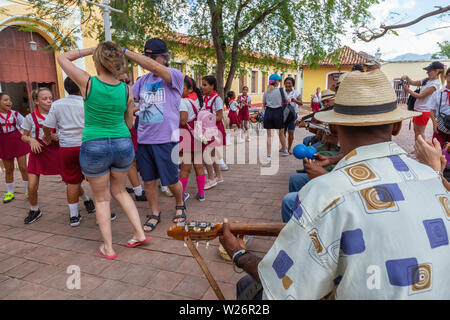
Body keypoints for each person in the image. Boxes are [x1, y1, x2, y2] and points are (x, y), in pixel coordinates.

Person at [221, 69, 450, 299]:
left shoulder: (326, 193)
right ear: (396, 127)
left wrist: (239, 254)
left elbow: (286, 283)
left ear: (334, 126)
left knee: (249, 288)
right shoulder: (434, 178)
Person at [57, 42, 151, 259]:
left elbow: (63, 58)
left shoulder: (87, 82)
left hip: (94, 144)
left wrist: (90, 50)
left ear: (98, 60)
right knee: (119, 191)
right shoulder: (126, 88)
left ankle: (109, 247)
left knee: (101, 199)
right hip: (122, 143)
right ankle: (139, 233)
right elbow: (129, 122)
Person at [123, 38, 187, 230]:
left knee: (172, 180)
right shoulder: (142, 81)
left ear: (163, 57)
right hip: (145, 138)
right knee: (148, 181)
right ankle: (154, 212)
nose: (147, 61)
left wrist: (126, 51)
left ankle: (180, 204)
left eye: (150, 57)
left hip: (166, 138)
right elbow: (130, 101)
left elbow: (157, 69)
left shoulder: (174, 75)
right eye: (146, 57)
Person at [42, 77, 95, 227]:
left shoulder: (57, 104)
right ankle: (103, 212)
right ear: (80, 87)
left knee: (72, 181)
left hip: (67, 147)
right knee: (96, 180)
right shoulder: (88, 102)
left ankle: (73, 216)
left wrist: (48, 136)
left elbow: (47, 125)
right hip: (88, 145)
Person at [21, 88, 61, 224]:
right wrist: (31, 140)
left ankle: (86, 199)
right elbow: (23, 136)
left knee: (70, 181)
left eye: (50, 98)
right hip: (37, 152)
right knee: (31, 186)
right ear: (36, 101)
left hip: (55, 150)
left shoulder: (58, 114)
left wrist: (57, 136)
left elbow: (66, 132)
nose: (49, 101)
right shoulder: (29, 118)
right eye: (45, 99)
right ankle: (35, 210)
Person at [118, 72, 147, 202]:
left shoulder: (127, 94)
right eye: (121, 81)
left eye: (127, 81)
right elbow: (125, 116)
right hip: (122, 131)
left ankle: (125, 188)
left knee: (129, 162)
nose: (125, 84)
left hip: (127, 130)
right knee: (130, 163)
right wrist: (140, 107)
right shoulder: (118, 96)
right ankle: (138, 191)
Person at [402, 61, 445, 141]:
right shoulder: (427, 80)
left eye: (429, 71)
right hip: (418, 109)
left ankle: (420, 151)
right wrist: (407, 77)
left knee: (420, 133)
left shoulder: (435, 84)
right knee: (416, 132)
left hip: (423, 111)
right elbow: (414, 83)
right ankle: (417, 149)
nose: (427, 73)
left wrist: (407, 90)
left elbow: (420, 96)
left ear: (437, 71)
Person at [179, 75, 206, 202]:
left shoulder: (183, 101)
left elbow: (183, 121)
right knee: (199, 166)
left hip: (187, 135)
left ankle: (181, 194)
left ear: (190, 89)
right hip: (197, 133)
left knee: (185, 167)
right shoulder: (198, 99)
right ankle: (201, 193)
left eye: (182, 87)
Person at [0, 92, 30, 203]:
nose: (9, 102)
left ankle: (28, 190)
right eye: (5, 100)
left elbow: (26, 124)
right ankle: (10, 192)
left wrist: (28, 136)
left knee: (23, 168)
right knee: (9, 170)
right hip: (4, 143)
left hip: (18, 141)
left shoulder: (15, 114)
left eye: (9, 100)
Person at [201, 75, 226, 189]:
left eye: (205, 85)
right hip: (207, 129)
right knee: (212, 153)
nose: (202, 87)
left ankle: (211, 179)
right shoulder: (205, 98)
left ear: (212, 86)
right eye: (202, 84)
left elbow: (219, 117)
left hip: (213, 130)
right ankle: (218, 176)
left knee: (206, 154)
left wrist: (206, 119)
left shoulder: (217, 99)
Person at [263, 73, 289, 160]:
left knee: (269, 135)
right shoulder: (281, 91)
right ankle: (285, 150)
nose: (279, 81)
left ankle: (269, 155)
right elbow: (287, 101)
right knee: (281, 132)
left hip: (269, 112)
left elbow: (264, 104)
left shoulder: (266, 92)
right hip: (278, 112)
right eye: (279, 80)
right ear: (276, 82)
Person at [428, 68, 450, 150]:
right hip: (440, 128)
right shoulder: (437, 94)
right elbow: (432, 110)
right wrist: (434, 123)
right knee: (437, 151)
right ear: (445, 77)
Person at [282, 77, 302, 154]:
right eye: (286, 83)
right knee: (282, 132)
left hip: (292, 115)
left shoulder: (296, 93)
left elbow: (301, 103)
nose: (287, 85)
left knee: (291, 132)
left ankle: (289, 148)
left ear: (293, 84)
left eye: (289, 83)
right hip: (283, 115)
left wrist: (295, 100)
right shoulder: (281, 92)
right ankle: (284, 147)